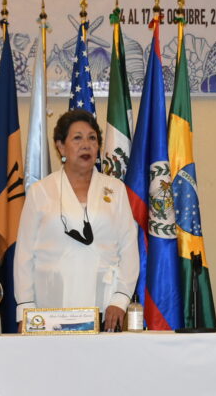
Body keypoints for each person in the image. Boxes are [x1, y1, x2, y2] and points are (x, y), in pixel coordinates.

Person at [14, 109, 138, 332]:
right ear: (61, 146)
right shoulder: (41, 191)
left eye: (92, 138)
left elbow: (129, 249)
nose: (86, 145)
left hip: (105, 307)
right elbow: (24, 256)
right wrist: (26, 309)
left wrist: (120, 299)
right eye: (77, 138)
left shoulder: (116, 189)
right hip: (49, 307)